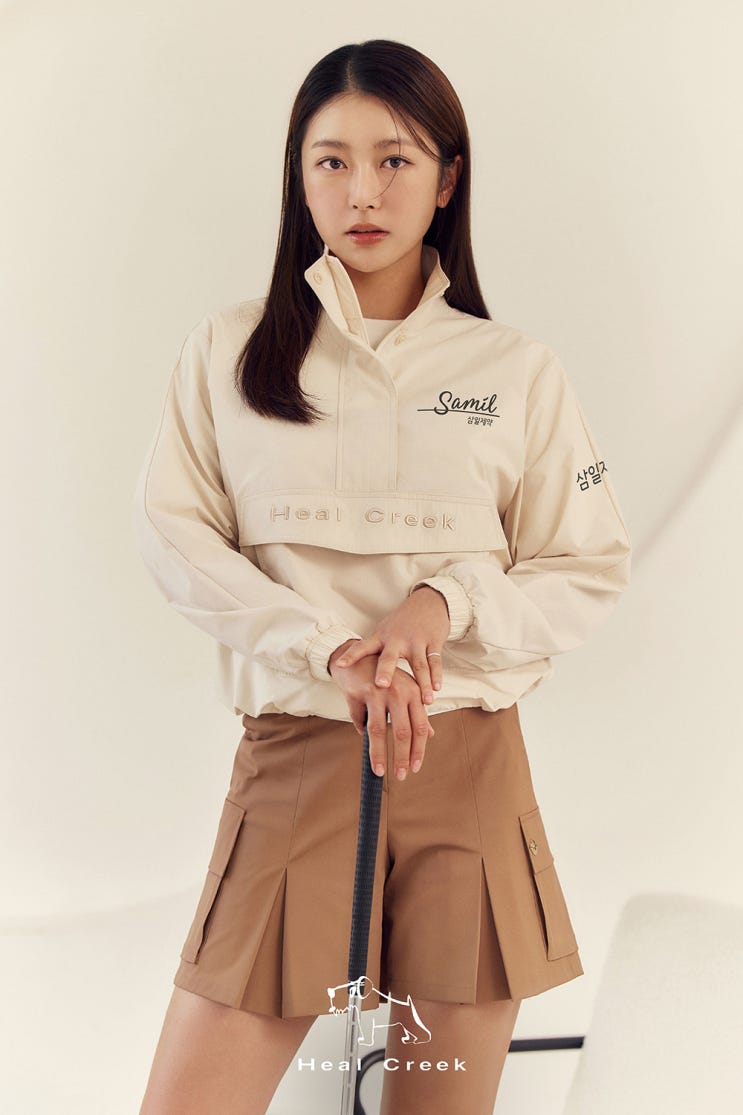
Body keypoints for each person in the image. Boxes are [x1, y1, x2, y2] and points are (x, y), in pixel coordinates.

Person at [133, 38, 631, 1115]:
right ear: (298, 177)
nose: (361, 191)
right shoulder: (228, 354)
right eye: (331, 161)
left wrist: (444, 600)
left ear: (446, 179)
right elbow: (178, 538)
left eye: (395, 159)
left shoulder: (515, 370)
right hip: (296, 759)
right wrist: (328, 648)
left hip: (470, 768)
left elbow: (587, 563)